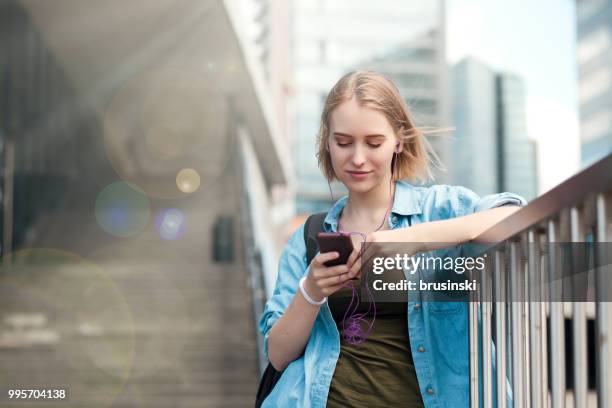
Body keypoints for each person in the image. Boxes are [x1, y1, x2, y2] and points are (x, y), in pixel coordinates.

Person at [258, 70, 525, 407]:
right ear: (327, 140)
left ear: (399, 139)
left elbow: (515, 218)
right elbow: (279, 356)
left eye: (373, 143)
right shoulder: (309, 237)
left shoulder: (440, 208)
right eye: (343, 142)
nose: (357, 158)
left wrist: (405, 240)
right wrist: (311, 291)